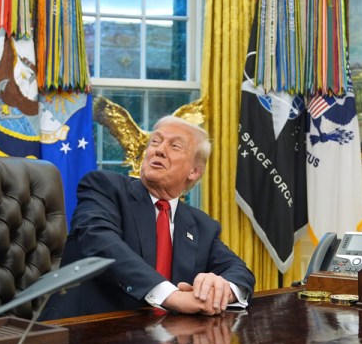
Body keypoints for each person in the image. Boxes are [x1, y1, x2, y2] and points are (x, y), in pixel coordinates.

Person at [40, 116, 256, 320]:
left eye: (175, 146)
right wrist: (172, 296)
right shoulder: (105, 188)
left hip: (166, 342)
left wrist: (221, 290)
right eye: (155, 141)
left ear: (194, 172)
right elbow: (100, 244)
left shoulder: (202, 226)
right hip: (82, 339)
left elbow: (239, 271)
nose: (159, 150)